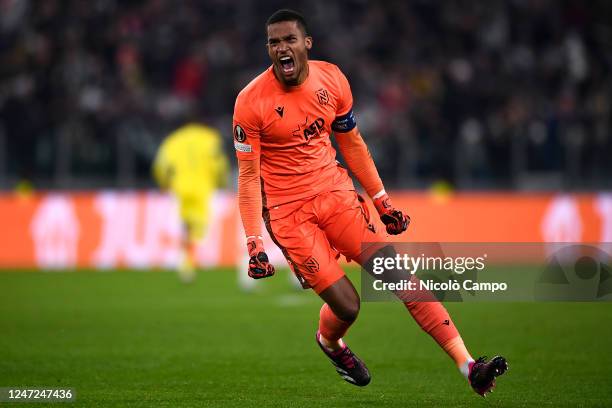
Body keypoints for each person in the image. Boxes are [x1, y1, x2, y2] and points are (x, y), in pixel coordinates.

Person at [233, 9, 507, 396]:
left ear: (306, 44)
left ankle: (468, 365)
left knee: (401, 278)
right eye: (273, 42)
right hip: (289, 215)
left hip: (338, 198)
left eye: (288, 39)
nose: (281, 48)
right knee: (349, 306)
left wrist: (382, 201)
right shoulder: (250, 102)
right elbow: (247, 178)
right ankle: (330, 343)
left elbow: (352, 144)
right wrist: (254, 244)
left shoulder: (333, 80)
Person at [153, 122, 229, 282]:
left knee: (185, 226)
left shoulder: (173, 139)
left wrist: (164, 183)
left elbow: (161, 165)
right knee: (199, 228)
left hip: (180, 186)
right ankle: (189, 262)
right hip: (203, 187)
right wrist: (222, 181)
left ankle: (186, 265)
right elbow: (219, 163)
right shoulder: (210, 138)